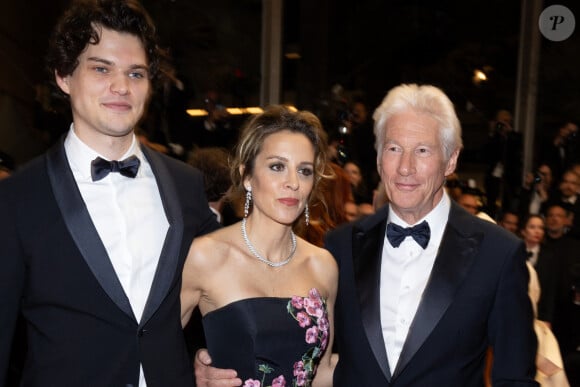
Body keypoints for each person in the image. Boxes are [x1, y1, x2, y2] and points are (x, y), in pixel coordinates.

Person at [194, 84, 538, 386]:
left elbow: (515, 379)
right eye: (393, 148)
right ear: (377, 157)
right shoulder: (338, 248)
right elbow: (306, 355)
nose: (405, 167)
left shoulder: (498, 254)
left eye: (422, 150)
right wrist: (209, 365)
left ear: (451, 161)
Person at [0, 1, 220, 386]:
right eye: (101, 68)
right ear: (64, 77)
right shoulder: (17, 198)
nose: (121, 87)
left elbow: (211, 304)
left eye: (135, 73)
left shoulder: (187, 186)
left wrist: (204, 357)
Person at [181, 105, 338, 387]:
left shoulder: (323, 264)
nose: (292, 183)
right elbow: (153, 349)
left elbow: (322, 372)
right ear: (247, 176)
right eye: (277, 167)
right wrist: (193, 372)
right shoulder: (204, 256)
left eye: (304, 171)